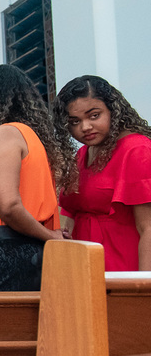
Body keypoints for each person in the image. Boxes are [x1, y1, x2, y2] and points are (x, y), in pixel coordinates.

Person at [0, 64, 71, 290]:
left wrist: (50, 236)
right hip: (14, 250)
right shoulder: (29, 138)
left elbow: (9, 206)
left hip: (0, 254)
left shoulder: (3, 134)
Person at [55, 75, 151, 272]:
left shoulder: (137, 149)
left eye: (94, 115)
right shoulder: (82, 154)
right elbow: (70, 214)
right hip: (85, 269)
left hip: (124, 270)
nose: (85, 127)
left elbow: (148, 228)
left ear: (113, 111)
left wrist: (142, 290)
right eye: (74, 121)